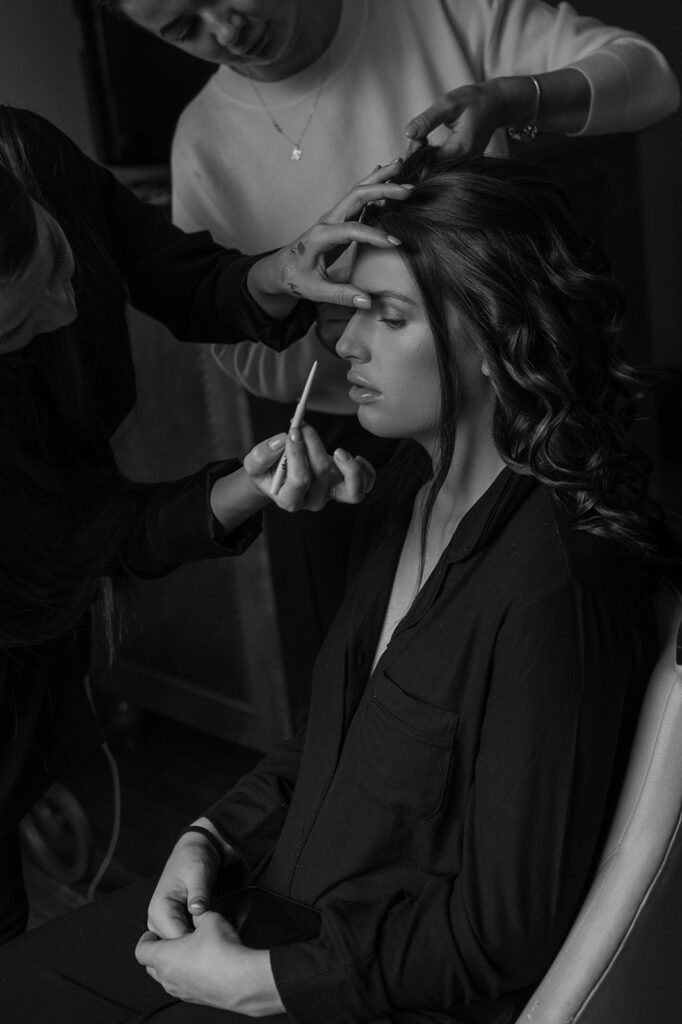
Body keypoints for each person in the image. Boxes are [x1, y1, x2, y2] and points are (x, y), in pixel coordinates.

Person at [0, 149, 664, 1022]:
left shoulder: (555, 586)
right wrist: (209, 837)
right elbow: (328, 737)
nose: (341, 340)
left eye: (384, 315)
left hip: (370, 982)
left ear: (500, 340)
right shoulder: (398, 489)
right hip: (272, 897)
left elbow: (501, 932)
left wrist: (261, 983)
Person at [105, 0, 679, 691]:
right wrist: (316, 312)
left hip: (516, 409)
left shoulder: (435, 12)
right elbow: (242, 349)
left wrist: (509, 99)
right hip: (360, 441)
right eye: (181, 30)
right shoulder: (201, 138)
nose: (227, 32)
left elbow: (650, 77)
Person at [0, 103, 412, 943]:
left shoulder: (22, 151)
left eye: (51, 257)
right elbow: (84, 536)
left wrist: (280, 272)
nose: (65, 310)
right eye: (13, 329)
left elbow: (178, 274)